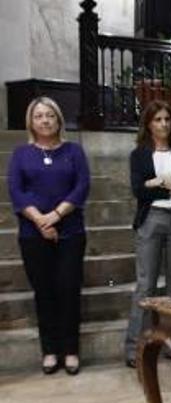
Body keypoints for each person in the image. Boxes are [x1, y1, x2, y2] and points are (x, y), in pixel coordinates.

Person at [7, 97, 90, 375]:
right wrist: (41, 221)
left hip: (70, 231)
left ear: (58, 120)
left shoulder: (74, 151)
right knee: (44, 292)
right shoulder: (21, 154)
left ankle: (71, 351)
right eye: (39, 116)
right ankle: (50, 350)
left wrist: (55, 216)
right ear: (31, 122)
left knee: (68, 290)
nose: (45, 121)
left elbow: (81, 187)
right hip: (32, 233)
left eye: (50, 116)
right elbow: (17, 191)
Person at [124, 100, 171, 368]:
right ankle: (135, 348)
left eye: (167, 119)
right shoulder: (139, 154)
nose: (164, 124)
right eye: (158, 120)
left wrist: (164, 183)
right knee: (146, 285)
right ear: (148, 124)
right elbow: (139, 190)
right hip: (151, 219)